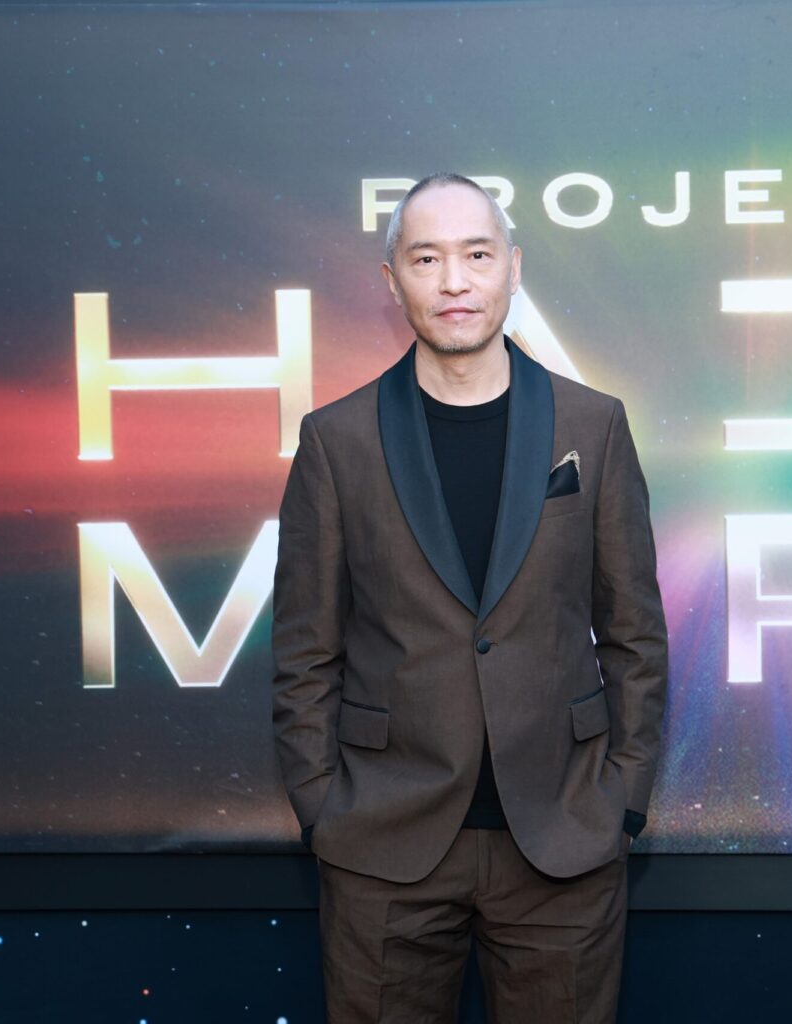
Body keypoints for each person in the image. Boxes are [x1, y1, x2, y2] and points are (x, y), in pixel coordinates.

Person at [271, 172, 668, 1023]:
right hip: (382, 842)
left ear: (512, 268)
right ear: (394, 280)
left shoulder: (592, 426)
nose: (455, 280)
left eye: (477, 254)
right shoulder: (335, 442)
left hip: (564, 837)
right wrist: (323, 812)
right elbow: (305, 651)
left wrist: (620, 799)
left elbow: (635, 630)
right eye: (427, 257)